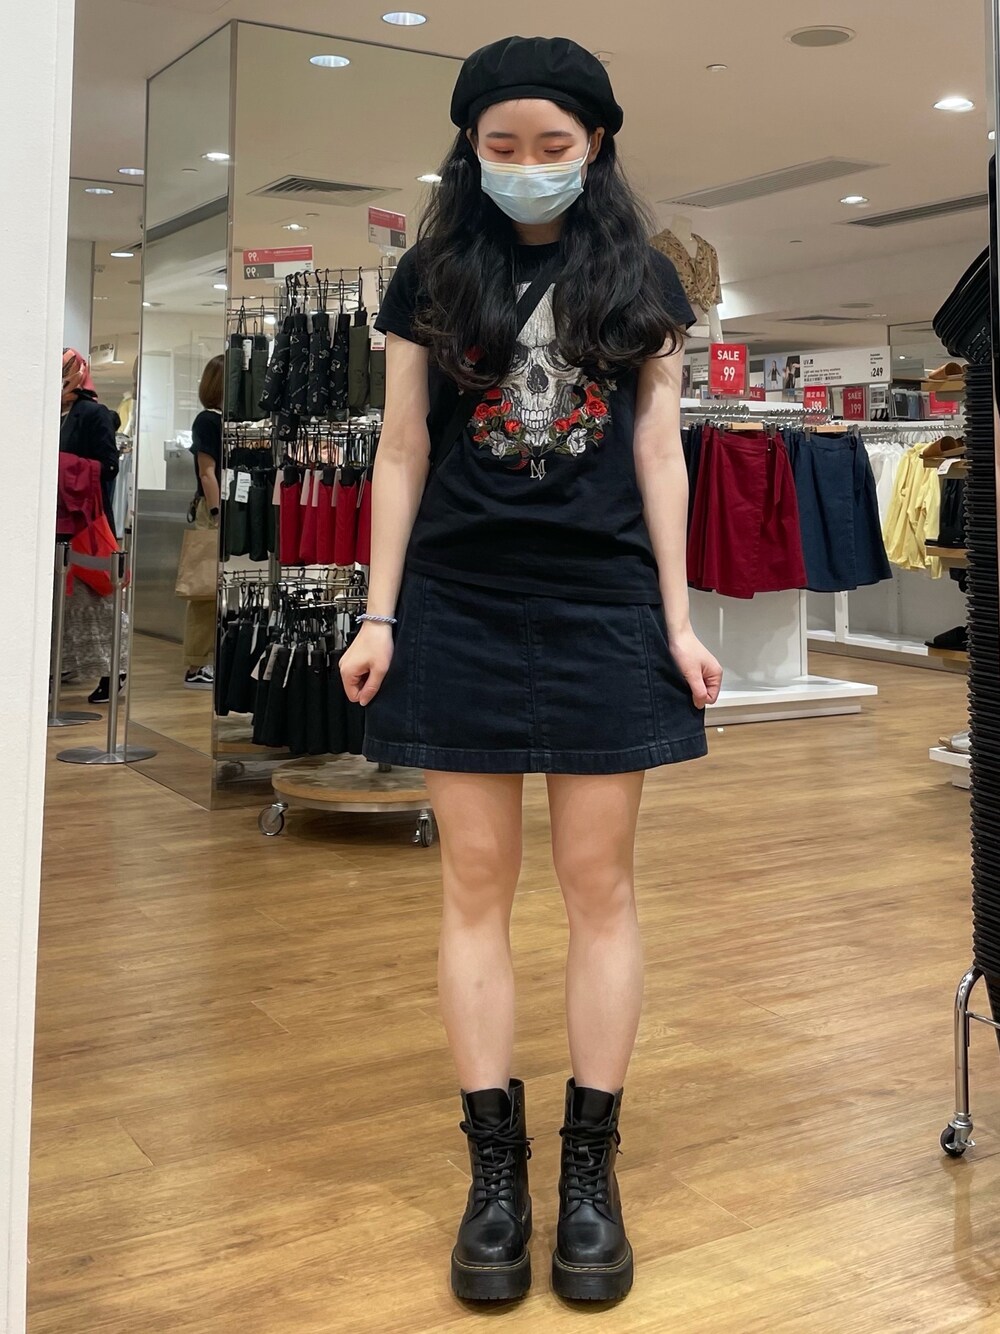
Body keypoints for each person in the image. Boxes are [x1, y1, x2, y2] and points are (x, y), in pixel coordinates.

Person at [341, 35, 722, 1305]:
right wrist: (379, 613)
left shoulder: (642, 274)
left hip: (603, 601)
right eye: (500, 144)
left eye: (551, 145)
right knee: (474, 885)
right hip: (457, 598)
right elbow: (402, 446)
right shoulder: (432, 272)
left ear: (596, 144)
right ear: (469, 146)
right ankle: (493, 1174)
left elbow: (660, 451)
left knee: (599, 885)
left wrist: (677, 621)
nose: (526, 165)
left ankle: (590, 1169)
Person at [59, 348, 125, 703]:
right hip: (57, 521)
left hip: (86, 521)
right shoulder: (47, 412)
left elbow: (109, 466)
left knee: (96, 602)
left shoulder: (93, 413)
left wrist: (62, 466)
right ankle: (63, 664)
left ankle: (113, 671)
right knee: (62, 603)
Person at [182, 356, 223, 688]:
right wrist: (216, 511)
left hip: (222, 507)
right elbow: (206, 472)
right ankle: (196, 664)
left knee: (215, 588)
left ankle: (209, 659)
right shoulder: (207, 420)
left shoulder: (225, 420)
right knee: (205, 589)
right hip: (212, 510)